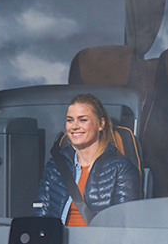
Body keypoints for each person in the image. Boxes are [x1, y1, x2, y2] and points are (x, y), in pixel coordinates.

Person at [33, 94, 139, 225]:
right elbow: (39, 217)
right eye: (70, 120)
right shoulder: (54, 166)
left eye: (83, 120)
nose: (74, 126)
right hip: (57, 242)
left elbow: (125, 224)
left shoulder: (121, 168)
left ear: (100, 124)